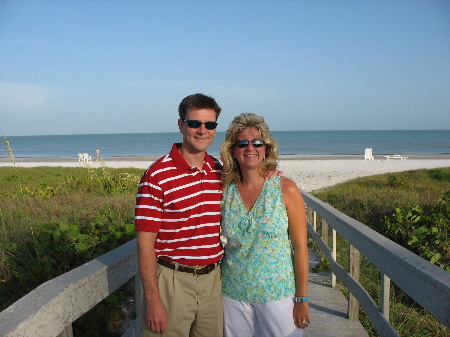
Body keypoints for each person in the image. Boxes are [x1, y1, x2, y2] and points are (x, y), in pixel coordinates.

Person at [135, 93, 224, 337]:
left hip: (213, 280)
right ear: (181, 125)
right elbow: (145, 243)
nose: (202, 130)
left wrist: (272, 175)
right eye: (194, 123)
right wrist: (152, 299)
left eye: (210, 124)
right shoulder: (157, 175)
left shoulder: (218, 170)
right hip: (171, 281)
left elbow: (251, 180)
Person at [220, 113, 310, 337]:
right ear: (233, 149)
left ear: (266, 148)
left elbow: (300, 247)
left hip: (278, 294)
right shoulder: (224, 189)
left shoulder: (285, 189)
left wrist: (302, 298)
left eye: (257, 142)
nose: (250, 147)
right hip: (233, 292)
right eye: (242, 142)